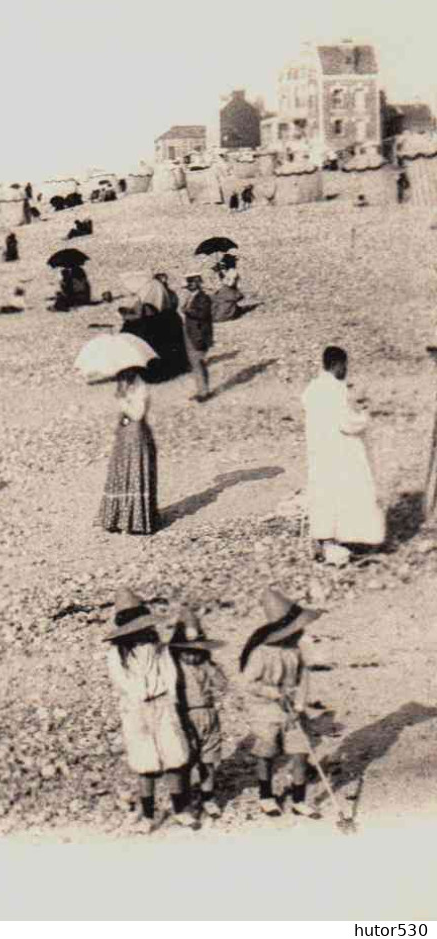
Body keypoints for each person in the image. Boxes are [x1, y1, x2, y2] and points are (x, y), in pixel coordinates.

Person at [103, 591, 193, 833]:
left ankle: (181, 809)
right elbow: (120, 681)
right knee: (146, 764)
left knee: (174, 757)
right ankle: (148, 815)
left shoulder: (157, 647)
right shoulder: (116, 654)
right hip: (136, 708)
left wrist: (170, 697)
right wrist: (139, 696)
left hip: (162, 703)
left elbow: (169, 672)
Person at [239, 589, 323, 818]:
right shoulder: (261, 653)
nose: (300, 632)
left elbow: (303, 680)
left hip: (292, 711)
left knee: (300, 753)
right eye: (295, 629)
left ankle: (298, 800)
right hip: (266, 711)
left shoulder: (295, 651)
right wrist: (274, 693)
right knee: (267, 753)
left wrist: (298, 706)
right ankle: (266, 797)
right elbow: (248, 683)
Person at [302, 346, 385, 560]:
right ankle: (355, 539)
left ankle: (326, 539)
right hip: (341, 451)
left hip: (320, 451)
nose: (346, 370)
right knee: (353, 492)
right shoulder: (336, 390)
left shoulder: (312, 389)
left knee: (325, 496)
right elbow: (347, 423)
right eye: (344, 365)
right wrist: (365, 416)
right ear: (337, 365)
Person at [168, 611, 228, 819]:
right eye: (187, 651)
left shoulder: (206, 666)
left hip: (209, 713)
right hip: (187, 714)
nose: (192, 655)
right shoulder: (175, 668)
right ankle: (185, 800)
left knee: (208, 759)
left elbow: (222, 685)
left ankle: (208, 796)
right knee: (186, 759)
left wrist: (212, 668)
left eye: (197, 650)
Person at [97, 367, 157, 535]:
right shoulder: (125, 386)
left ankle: (136, 521)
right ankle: (117, 518)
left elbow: (137, 415)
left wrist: (123, 401)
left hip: (137, 436)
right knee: (122, 473)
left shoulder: (141, 388)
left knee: (135, 472)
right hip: (125, 435)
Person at [181, 273, 214, 402]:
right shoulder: (193, 297)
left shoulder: (203, 298)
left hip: (199, 334)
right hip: (191, 332)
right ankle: (201, 390)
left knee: (199, 363)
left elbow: (203, 314)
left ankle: (204, 392)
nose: (189, 286)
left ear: (197, 283)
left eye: (191, 283)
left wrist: (187, 311)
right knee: (195, 364)